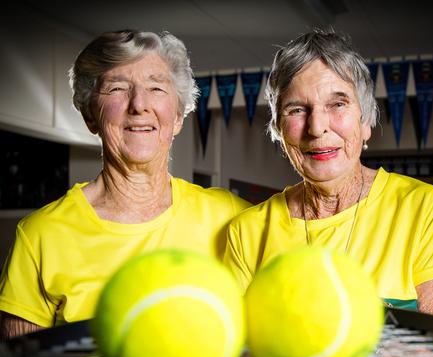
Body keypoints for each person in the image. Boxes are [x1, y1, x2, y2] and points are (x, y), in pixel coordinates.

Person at [0, 30, 250, 339]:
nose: (139, 104)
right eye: (117, 88)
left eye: (156, 87)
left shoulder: (233, 217)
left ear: (177, 116)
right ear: (90, 115)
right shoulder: (40, 236)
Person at [223, 29, 433, 324]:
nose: (317, 127)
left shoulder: (424, 209)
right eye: (297, 109)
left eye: (338, 104)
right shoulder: (247, 232)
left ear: (366, 122)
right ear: (279, 132)